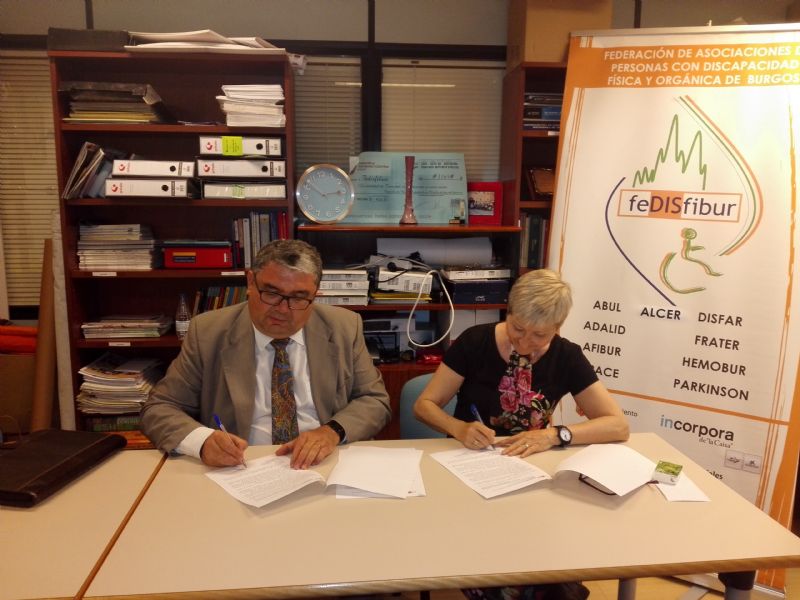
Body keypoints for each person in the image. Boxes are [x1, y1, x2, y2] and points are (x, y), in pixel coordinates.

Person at [413, 268, 629, 600]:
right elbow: (424, 405)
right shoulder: (475, 342)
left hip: (532, 475)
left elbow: (617, 425)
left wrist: (554, 435)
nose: (525, 342)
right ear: (508, 312)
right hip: (471, 472)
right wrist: (458, 428)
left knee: (542, 557)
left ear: (558, 327)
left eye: (540, 335)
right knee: (509, 572)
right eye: (517, 328)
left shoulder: (566, 356)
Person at [141, 239, 391, 470]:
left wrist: (331, 431)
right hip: (241, 466)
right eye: (271, 293)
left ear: (315, 295)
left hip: (324, 463)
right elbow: (159, 408)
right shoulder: (208, 332)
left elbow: (375, 400)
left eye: (298, 298)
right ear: (251, 282)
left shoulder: (343, 327)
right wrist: (202, 441)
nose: (283, 309)